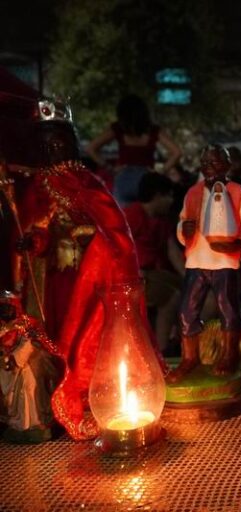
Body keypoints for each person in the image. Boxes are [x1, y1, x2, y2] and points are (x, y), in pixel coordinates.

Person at [3, 122, 155, 440]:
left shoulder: (88, 181)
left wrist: (92, 239)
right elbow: (36, 228)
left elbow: (113, 228)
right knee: (57, 332)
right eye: (50, 145)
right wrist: (34, 241)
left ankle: (91, 391)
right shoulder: (38, 187)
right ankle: (51, 399)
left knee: (88, 334)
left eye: (61, 143)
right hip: (58, 277)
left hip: (90, 274)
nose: (56, 150)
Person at [168, 144, 241, 382]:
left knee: (228, 309)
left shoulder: (238, 192)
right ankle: (189, 357)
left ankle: (230, 355)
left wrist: (239, 244)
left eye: (216, 163)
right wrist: (183, 230)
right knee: (187, 311)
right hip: (197, 259)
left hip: (225, 261)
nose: (211, 168)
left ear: (228, 166)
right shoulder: (193, 193)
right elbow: (182, 222)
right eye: (206, 163)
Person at [123, 172, 184, 353]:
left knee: (188, 289)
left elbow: (171, 249)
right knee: (170, 296)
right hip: (136, 275)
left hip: (153, 272)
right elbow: (122, 247)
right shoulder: (132, 215)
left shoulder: (161, 220)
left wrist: (188, 276)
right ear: (157, 196)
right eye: (168, 195)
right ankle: (162, 349)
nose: (171, 201)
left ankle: (179, 340)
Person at [85, 94, 182, 206]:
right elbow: (177, 152)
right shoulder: (153, 131)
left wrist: (109, 167)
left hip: (123, 178)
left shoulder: (118, 129)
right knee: (144, 220)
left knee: (124, 219)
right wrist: (162, 170)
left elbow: (90, 148)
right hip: (146, 179)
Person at [0, 290, 60, 443]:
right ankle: (17, 425)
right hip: (6, 370)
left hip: (28, 364)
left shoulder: (26, 323)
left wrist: (15, 359)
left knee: (28, 387)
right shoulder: (3, 326)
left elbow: (31, 343)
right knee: (11, 397)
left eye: (9, 306)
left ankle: (33, 425)